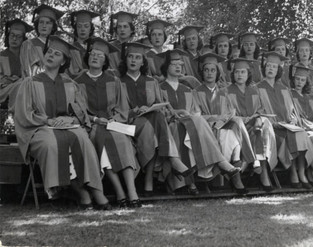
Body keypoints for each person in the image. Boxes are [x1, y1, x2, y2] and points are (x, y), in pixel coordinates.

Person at [14, 35, 110, 208]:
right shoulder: (29, 83)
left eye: (57, 54)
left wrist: (70, 118)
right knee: (51, 143)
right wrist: (48, 121)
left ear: (63, 61)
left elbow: (81, 114)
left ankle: (96, 190)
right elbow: (23, 114)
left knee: (82, 140)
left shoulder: (71, 84)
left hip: (68, 126)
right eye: (49, 52)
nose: (51, 55)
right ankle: (80, 192)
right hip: (40, 128)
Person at [157, 49, 243, 194]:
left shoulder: (186, 89)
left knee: (194, 124)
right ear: (166, 66)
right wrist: (179, 113)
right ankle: (219, 163)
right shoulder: (160, 88)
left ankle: (192, 182)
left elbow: (195, 112)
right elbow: (161, 111)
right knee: (188, 126)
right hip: (169, 124)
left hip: (189, 124)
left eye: (180, 64)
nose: (178, 67)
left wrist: (187, 115)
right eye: (174, 64)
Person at [117, 42, 193, 196]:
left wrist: (153, 109)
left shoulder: (151, 82)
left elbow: (162, 106)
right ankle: (172, 160)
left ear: (143, 62)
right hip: (127, 124)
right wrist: (135, 111)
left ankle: (149, 181)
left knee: (154, 122)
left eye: (137, 57)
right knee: (154, 122)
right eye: (130, 57)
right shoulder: (119, 82)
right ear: (125, 60)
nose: (133, 60)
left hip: (150, 123)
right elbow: (118, 110)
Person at [74, 37, 141, 208]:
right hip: (92, 126)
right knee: (104, 141)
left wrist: (114, 119)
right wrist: (95, 119)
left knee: (122, 140)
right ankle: (120, 192)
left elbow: (122, 108)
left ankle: (131, 191)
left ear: (105, 60)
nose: (95, 57)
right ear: (87, 57)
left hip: (113, 123)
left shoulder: (113, 81)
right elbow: (77, 111)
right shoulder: (77, 82)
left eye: (100, 55)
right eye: (92, 54)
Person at [192, 52, 255, 193]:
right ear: (202, 72)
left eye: (213, 70)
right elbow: (196, 116)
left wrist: (225, 118)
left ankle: (235, 171)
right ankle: (238, 175)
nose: (209, 73)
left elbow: (229, 112)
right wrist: (216, 118)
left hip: (223, 127)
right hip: (207, 130)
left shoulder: (223, 93)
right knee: (230, 137)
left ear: (218, 72)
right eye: (206, 70)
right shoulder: (195, 92)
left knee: (235, 124)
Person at [256, 51, 313, 188]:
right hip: (272, 129)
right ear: (264, 68)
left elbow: (293, 111)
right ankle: (293, 172)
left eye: (274, 67)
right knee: (291, 136)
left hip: (287, 127)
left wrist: (293, 120)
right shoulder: (257, 88)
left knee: (300, 133)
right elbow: (258, 112)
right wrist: (273, 124)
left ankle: (301, 172)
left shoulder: (284, 89)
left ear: (278, 70)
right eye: (268, 66)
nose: (271, 69)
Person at [225, 57, 278, 191]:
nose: (239, 75)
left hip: (252, 126)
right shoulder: (227, 91)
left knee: (259, 130)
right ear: (233, 74)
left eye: (243, 72)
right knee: (255, 134)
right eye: (237, 72)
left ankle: (254, 169)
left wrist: (258, 119)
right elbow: (226, 113)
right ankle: (261, 173)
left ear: (248, 74)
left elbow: (260, 110)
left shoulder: (254, 91)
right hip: (236, 127)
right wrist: (241, 119)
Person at [20, 4, 64, 77]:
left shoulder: (57, 46)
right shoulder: (29, 44)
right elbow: (30, 71)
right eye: (41, 22)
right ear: (37, 25)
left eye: (48, 23)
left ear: (53, 27)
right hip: (35, 84)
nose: (44, 25)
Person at [0, 19, 33, 111]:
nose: (14, 39)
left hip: (23, 89)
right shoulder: (1, 56)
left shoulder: (27, 57)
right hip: (4, 92)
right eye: (12, 35)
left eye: (18, 37)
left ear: (23, 39)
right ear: (8, 36)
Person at [67, 10, 99, 78]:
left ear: (91, 28)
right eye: (79, 26)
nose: (82, 29)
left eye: (86, 26)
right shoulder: (70, 49)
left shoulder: (96, 48)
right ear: (76, 28)